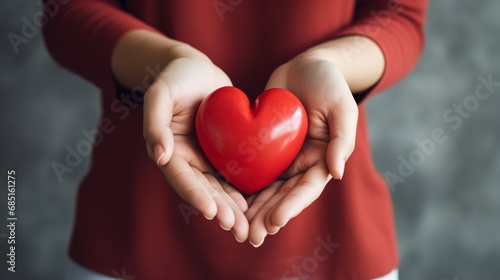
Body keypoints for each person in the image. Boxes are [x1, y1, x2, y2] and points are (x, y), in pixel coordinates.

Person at [43, 0, 427, 279]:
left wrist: (331, 66)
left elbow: (400, 15)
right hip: (136, 235)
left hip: (335, 235)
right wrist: (167, 62)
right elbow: (68, 11)